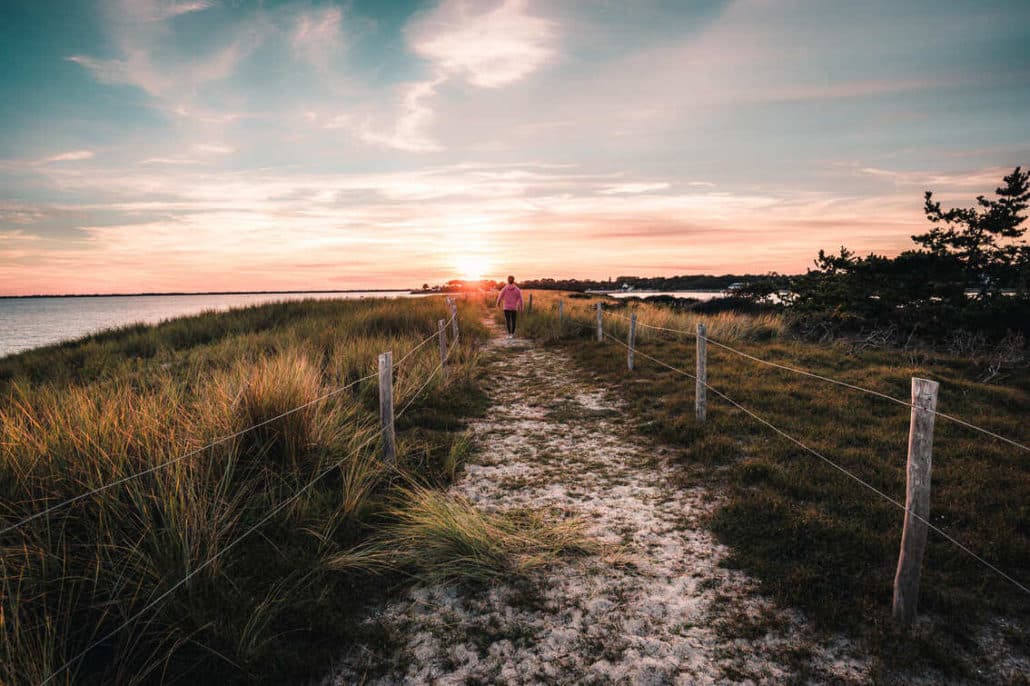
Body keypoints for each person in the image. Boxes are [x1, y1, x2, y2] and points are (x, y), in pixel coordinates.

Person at [495, 275, 524, 339]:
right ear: (514, 280)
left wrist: (498, 303)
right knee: (513, 321)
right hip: (514, 308)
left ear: (507, 280)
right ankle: (513, 334)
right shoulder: (517, 289)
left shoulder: (504, 288)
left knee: (508, 321)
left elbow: (500, 296)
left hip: (506, 307)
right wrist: (522, 308)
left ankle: (509, 334)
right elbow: (521, 299)